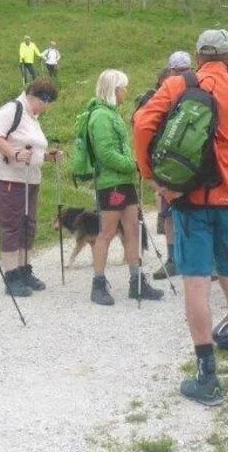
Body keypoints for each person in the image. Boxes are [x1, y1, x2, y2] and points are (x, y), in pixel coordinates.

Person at [134, 30, 228, 405]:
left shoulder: (178, 84)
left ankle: (208, 378)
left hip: (191, 200)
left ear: (198, 55)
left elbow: (143, 124)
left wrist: (153, 176)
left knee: (196, 284)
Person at [85, 70, 163, 306]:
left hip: (123, 181)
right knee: (107, 233)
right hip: (111, 183)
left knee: (133, 230)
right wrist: (134, 164)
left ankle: (136, 281)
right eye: (123, 88)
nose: (126, 92)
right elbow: (105, 153)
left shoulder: (111, 114)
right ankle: (98, 283)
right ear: (114, 89)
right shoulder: (100, 116)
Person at [0, 77, 63, 298]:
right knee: (12, 226)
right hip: (9, 177)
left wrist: (49, 156)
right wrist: (15, 153)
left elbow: (32, 146)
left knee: (28, 225)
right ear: (39, 98)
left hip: (30, 178)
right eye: (47, 103)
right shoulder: (13, 109)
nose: (47, 108)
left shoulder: (33, 116)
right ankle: (11, 276)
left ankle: (24, 270)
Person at [151, 51, 194, 281]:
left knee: (186, 210)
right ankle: (174, 259)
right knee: (169, 213)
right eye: (178, 71)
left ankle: (181, 260)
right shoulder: (160, 94)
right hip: (175, 161)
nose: (180, 75)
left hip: (177, 161)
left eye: (184, 71)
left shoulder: (198, 90)